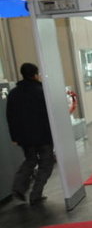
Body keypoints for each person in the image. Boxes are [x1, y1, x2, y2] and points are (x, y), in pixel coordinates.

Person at [6, 63, 55, 205]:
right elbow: (49, 114)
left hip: (25, 137)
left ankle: (18, 188)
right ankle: (36, 194)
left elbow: (10, 117)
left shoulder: (14, 93)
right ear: (35, 75)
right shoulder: (42, 92)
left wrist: (14, 137)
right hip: (43, 136)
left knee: (30, 160)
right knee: (46, 164)